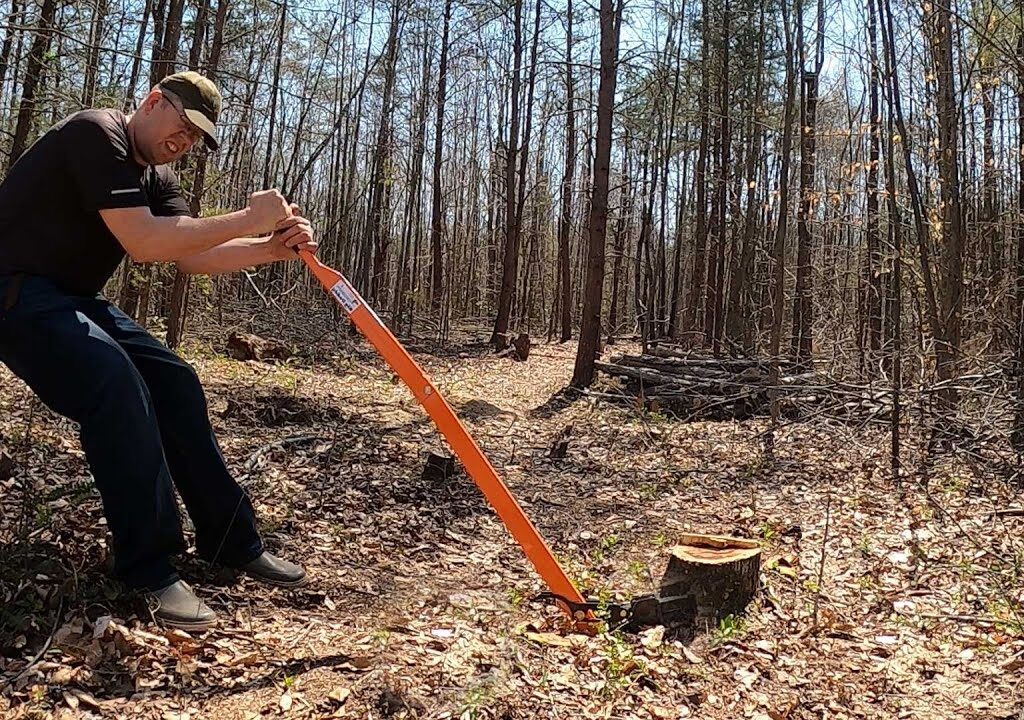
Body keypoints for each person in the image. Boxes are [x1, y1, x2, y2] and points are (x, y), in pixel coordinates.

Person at [0, 71, 317, 630]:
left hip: (70, 298)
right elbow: (145, 244)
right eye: (183, 126)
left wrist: (272, 248)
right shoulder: (95, 134)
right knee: (115, 383)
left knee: (175, 380)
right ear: (152, 103)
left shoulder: (155, 174)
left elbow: (190, 252)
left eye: (197, 138)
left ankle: (229, 540)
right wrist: (249, 216)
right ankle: (147, 567)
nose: (185, 142)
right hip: (14, 293)